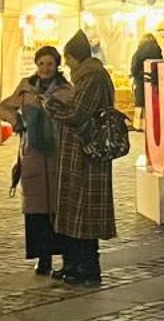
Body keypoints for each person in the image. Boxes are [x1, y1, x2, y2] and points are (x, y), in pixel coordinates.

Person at [44, 30, 119, 288]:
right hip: (80, 152)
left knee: (85, 210)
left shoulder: (91, 78)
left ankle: (88, 266)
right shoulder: (89, 76)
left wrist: (51, 105)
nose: (66, 65)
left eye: (67, 60)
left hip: (87, 153)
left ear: (75, 58)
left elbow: (78, 114)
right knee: (75, 208)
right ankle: (74, 262)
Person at [0, 45, 67, 275]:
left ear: (57, 65)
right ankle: (43, 256)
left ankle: (64, 254)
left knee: (58, 206)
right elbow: (3, 107)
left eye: (49, 64)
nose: (45, 68)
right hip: (33, 156)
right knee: (36, 208)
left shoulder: (66, 89)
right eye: (41, 64)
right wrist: (17, 121)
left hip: (58, 154)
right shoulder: (25, 88)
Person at [129, 32, 164, 131]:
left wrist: (136, 75)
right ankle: (152, 125)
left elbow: (134, 68)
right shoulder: (157, 51)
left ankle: (139, 125)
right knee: (152, 103)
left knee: (140, 103)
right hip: (154, 81)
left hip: (141, 81)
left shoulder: (139, 52)